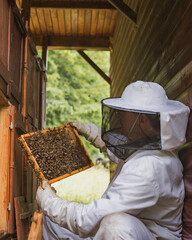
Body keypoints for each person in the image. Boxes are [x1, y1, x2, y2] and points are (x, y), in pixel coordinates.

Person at [36, 80, 190, 240]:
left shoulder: (149, 168)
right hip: (136, 228)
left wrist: (49, 202)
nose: (118, 115)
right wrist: (91, 133)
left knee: (115, 225)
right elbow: (122, 150)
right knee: (51, 223)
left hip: (151, 235)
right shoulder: (150, 145)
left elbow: (90, 217)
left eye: (124, 111)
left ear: (142, 120)